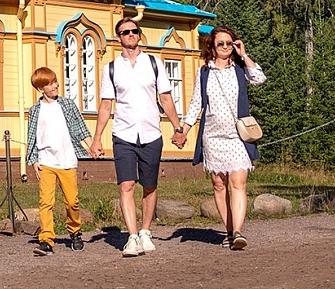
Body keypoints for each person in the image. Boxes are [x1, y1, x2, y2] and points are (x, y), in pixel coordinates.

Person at [88, 17, 184, 257]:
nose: (130, 34)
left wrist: (177, 128)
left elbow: (165, 98)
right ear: (118, 37)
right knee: (127, 184)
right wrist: (97, 138)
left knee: (149, 185)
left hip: (151, 133)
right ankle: (132, 237)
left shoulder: (153, 63)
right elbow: (106, 105)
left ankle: (145, 231)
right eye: (125, 32)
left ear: (139, 35)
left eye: (134, 31)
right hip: (123, 134)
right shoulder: (111, 68)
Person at [172, 27, 266, 251]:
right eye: (220, 43)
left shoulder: (240, 69)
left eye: (229, 43)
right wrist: (183, 130)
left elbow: (259, 78)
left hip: (238, 136)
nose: (225, 47)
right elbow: (196, 104)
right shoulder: (204, 72)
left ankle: (239, 232)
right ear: (212, 47)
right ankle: (229, 231)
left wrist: (244, 54)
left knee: (238, 183)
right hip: (212, 136)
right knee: (219, 185)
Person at [25, 66, 92, 255]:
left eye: (55, 81)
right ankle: (46, 240)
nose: (55, 85)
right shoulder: (35, 110)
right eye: (50, 84)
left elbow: (80, 128)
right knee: (46, 202)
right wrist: (33, 159)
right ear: (41, 89)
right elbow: (32, 135)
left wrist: (92, 145)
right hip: (46, 161)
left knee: (72, 202)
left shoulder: (67, 105)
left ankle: (75, 232)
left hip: (67, 160)